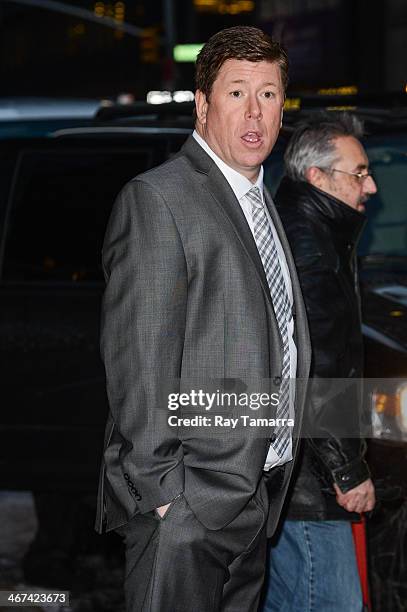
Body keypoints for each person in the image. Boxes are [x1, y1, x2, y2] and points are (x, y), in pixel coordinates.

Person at [95, 26, 311, 612]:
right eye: (236, 92)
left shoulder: (261, 198)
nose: (254, 111)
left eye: (268, 94)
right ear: (202, 105)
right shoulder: (159, 198)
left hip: (256, 495)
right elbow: (140, 359)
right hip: (191, 503)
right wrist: (166, 497)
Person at [263, 112, 376, 612]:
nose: (370, 185)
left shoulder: (311, 228)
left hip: (293, 471)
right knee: (329, 602)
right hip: (307, 480)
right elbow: (316, 366)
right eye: (359, 172)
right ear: (318, 177)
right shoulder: (307, 241)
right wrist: (348, 471)